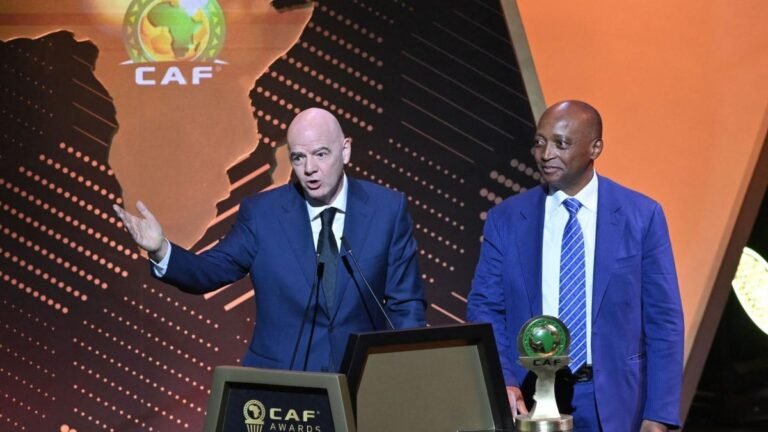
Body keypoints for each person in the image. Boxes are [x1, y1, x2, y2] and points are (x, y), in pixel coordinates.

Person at [114, 107, 426, 372]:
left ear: (345, 150)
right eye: (298, 158)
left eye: (321, 154)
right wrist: (161, 249)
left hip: (362, 378)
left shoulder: (387, 209)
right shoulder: (262, 214)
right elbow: (210, 271)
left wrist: (406, 369)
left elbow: (406, 303)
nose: (310, 169)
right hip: (283, 383)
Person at [467, 100, 683, 431]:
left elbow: (664, 320)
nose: (546, 154)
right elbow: (485, 307)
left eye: (561, 143)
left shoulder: (641, 215)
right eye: (540, 142)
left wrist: (659, 414)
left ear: (595, 148)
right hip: (529, 398)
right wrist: (504, 380)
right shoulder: (506, 219)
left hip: (616, 400)